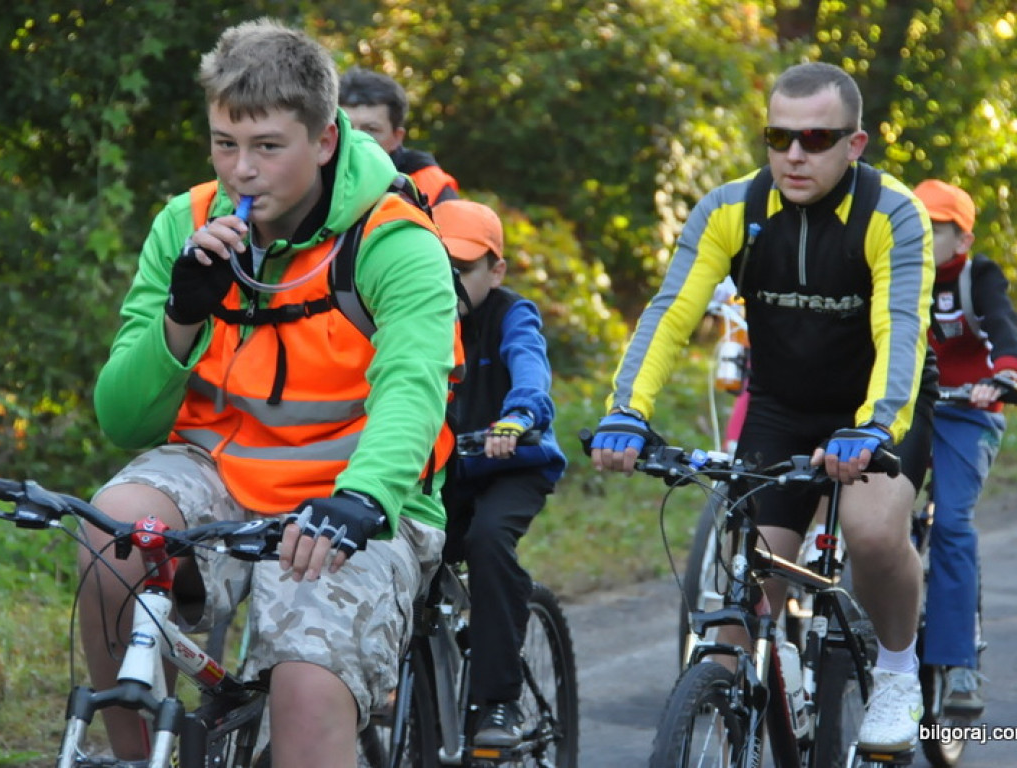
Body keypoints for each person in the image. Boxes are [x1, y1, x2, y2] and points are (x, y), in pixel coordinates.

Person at [82, 18, 459, 768]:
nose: (241, 171)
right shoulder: (185, 224)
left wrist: (364, 497)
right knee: (108, 533)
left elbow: (412, 390)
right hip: (218, 469)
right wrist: (181, 318)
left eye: (266, 147)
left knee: (307, 694)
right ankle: (135, 760)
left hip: (352, 497)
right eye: (225, 144)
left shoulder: (395, 242)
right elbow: (123, 419)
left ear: (323, 141)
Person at [591, 61, 937, 754]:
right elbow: (671, 312)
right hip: (782, 409)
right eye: (779, 137)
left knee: (870, 535)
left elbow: (899, 330)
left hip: (876, 409)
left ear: (855, 144)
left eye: (816, 138)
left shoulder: (891, 212)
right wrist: (626, 410)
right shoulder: (731, 209)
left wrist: (872, 429)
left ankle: (899, 671)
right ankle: (720, 718)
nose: (795, 154)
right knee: (740, 612)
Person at [431, 199, 567, 746]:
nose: (451, 283)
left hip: (514, 463)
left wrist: (518, 415)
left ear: (496, 270)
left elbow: (529, 363)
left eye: (462, 271)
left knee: (488, 540)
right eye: (438, 268)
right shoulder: (418, 313)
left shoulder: (512, 313)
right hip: (447, 470)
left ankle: (501, 702)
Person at [913, 179, 1017, 714]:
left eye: (935, 227)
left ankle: (959, 668)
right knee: (871, 517)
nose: (922, 234)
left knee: (952, 524)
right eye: (916, 222)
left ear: (962, 239)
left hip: (968, 412)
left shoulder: (980, 277)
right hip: (910, 410)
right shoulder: (896, 274)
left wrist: (1002, 377)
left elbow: (1003, 329)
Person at [339, 66, 460, 206]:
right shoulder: (313, 174)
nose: (355, 139)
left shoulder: (427, 185)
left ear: (397, 137)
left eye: (371, 130)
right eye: (345, 128)